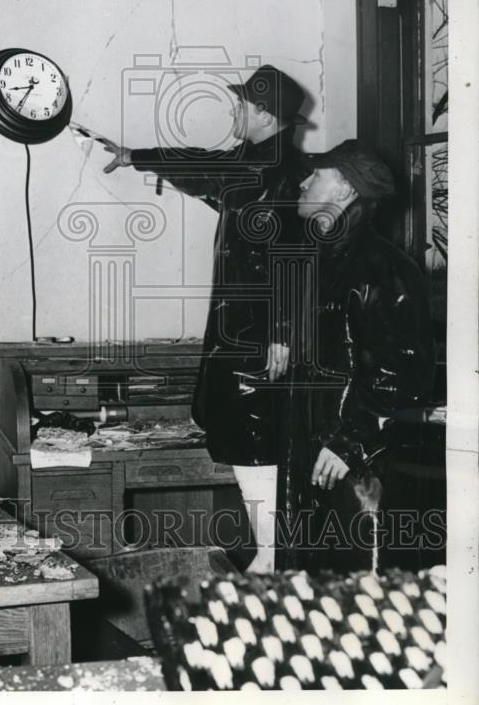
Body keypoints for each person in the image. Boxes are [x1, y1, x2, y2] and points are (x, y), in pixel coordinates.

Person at [102, 64, 308, 573]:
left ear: (263, 113)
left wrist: (281, 336)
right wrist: (136, 157)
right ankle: (269, 551)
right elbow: (201, 165)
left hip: (261, 337)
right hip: (243, 331)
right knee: (245, 435)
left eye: (241, 105)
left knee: (256, 436)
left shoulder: (283, 174)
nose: (234, 112)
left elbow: (296, 260)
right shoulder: (254, 162)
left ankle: (273, 556)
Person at [284, 139, 435, 572]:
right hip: (320, 457)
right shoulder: (324, 261)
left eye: (317, 175)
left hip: (361, 467)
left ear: (345, 191)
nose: (304, 181)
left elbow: (405, 371)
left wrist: (349, 440)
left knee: (359, 603)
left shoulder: (385, 268)